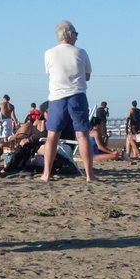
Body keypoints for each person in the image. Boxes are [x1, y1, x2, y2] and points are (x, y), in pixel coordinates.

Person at [42, 20, 95, 181]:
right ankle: (89, 175)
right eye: (76, 34)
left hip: (57, 97)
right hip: (77, 95)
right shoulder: (81, 52)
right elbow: (87, 76)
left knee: (52, 135)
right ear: (70, 35)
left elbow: (50, 73)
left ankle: (46, 174)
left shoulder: (49, 53)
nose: (77, 37)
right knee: (82, 136)